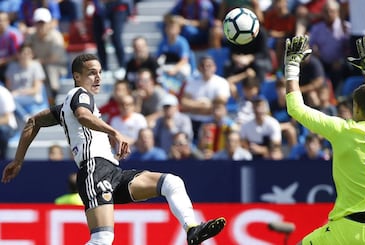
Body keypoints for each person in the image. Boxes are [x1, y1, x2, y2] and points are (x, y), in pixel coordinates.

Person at [1, 53, 225, 245]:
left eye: (99, 72)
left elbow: (33, 122)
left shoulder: (66, 106)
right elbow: (83, 116)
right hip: (94, 169)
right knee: (102, 239)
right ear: (77, 77)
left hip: (112, 172)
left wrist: (18, 160)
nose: (98, 77)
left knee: (171, 182)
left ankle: (192, 229)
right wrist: (114, 132)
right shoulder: (79, 95)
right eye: (91, 72)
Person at [284, 35, 365, 244]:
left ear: (357, 108)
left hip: (344, 231)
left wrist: (291, 65)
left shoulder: (342, 130)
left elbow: (295, 108)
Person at [0, 84, 18, 160]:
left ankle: (2, 159)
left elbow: (6, 119)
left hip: (9, 128)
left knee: (2, 130)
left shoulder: (3, 93)